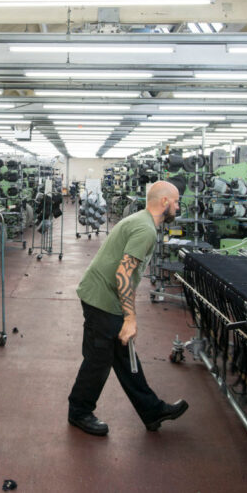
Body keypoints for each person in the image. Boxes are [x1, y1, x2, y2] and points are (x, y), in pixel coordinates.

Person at [67, 180, 189, 436]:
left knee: (125, 355)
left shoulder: (142, 221)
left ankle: (152, 410)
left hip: (107, 296)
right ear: (164, 202)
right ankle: (79, 412)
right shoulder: (144, 229)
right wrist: (130, 318)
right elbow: (123, 273)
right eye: (176, 201)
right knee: (99, 360)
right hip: (101, 299)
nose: (178, 207)